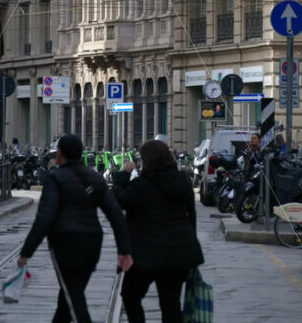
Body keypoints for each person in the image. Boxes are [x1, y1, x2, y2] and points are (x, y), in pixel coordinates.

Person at [18, 133, 132, 323]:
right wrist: (124, 250)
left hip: (65, 244)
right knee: (68, 296)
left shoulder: (55, 178)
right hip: (92, 244)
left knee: (74, 297)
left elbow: (44, 219)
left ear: (59, 153)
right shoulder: (95, 178)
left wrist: (26, 252)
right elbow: (116, 215)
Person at [113, 139, 203, 323]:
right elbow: (191, 218)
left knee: (130, 296)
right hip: (178, 254)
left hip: (146, 255)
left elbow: (118, 199)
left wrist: (123, 173)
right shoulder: (183, 181)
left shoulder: (141, 185)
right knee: (171, 303)